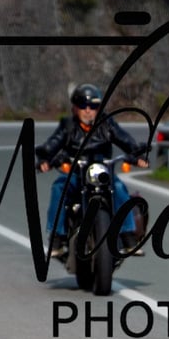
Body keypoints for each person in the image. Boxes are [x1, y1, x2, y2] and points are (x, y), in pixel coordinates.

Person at [36, 82, 149, 256]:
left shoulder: (107, 124)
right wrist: (45, 159)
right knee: (59, 187)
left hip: (103, 172)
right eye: (83, 105)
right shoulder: (68, 126)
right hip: (76, 173)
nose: (88, 110)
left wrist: (138, 155)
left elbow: (125, 139)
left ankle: (128, 237)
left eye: (93, 106)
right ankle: (56, 238)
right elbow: (53, 143)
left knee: (119, 188)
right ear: (75, 108)